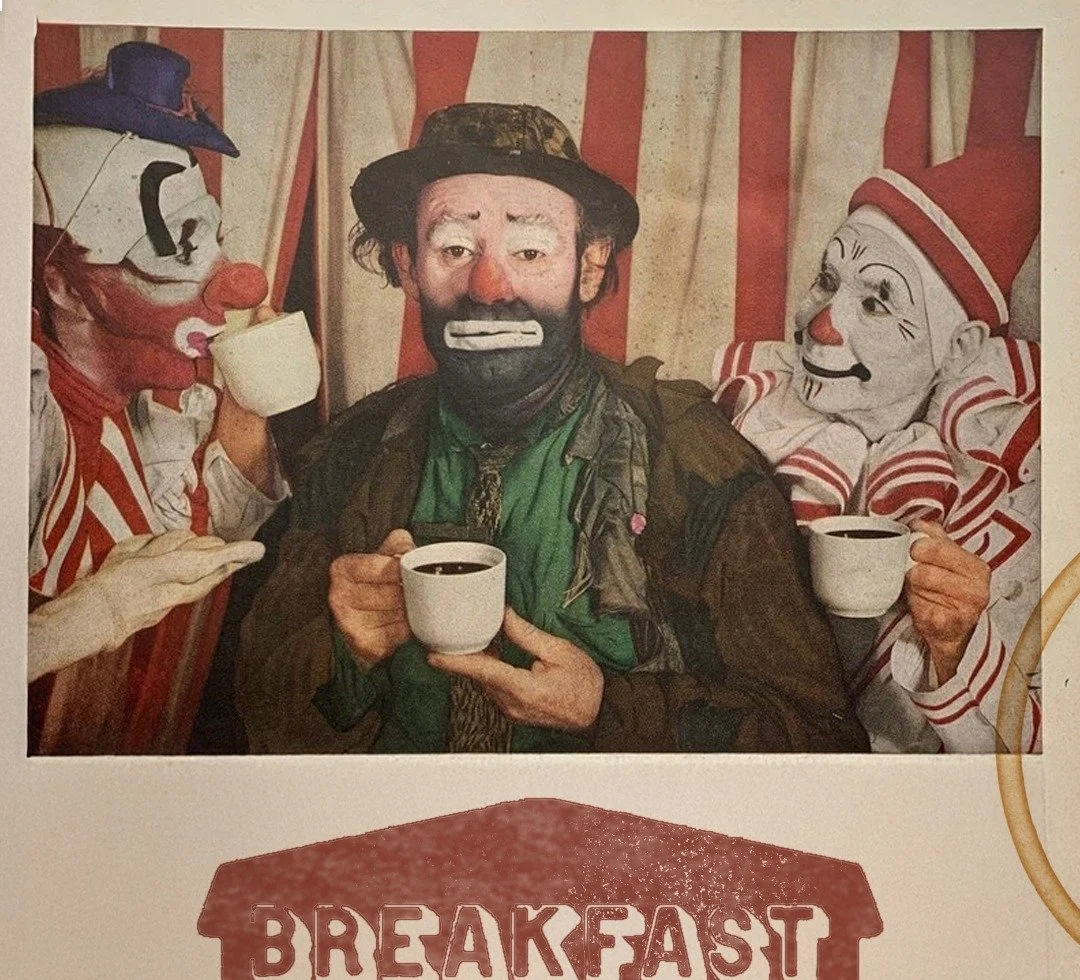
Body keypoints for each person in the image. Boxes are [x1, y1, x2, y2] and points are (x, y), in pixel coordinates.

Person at [236, 102, 866, 754]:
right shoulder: (354, 452)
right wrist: (345, 649)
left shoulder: (694, 461)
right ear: (406, 267)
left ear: (589, 268)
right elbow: (260, 719)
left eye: (530, 250)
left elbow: (820, 736)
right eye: (453, 248)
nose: (486, 287)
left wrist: (610, 709)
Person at [714, 142, 1041, 752]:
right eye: (826, 280)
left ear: (963, 347)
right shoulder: (738, 415)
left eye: (875, 301)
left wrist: (955, 650)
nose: (820, 326)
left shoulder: (1026, 490)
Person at [30, 41, 289, 752]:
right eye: (179, 249)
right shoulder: (23, 420)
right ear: (62, 283)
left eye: (213, 242)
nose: (231, 281)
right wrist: (96, 611)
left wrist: (248, 398)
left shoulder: (155, 401)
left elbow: (211, 546)